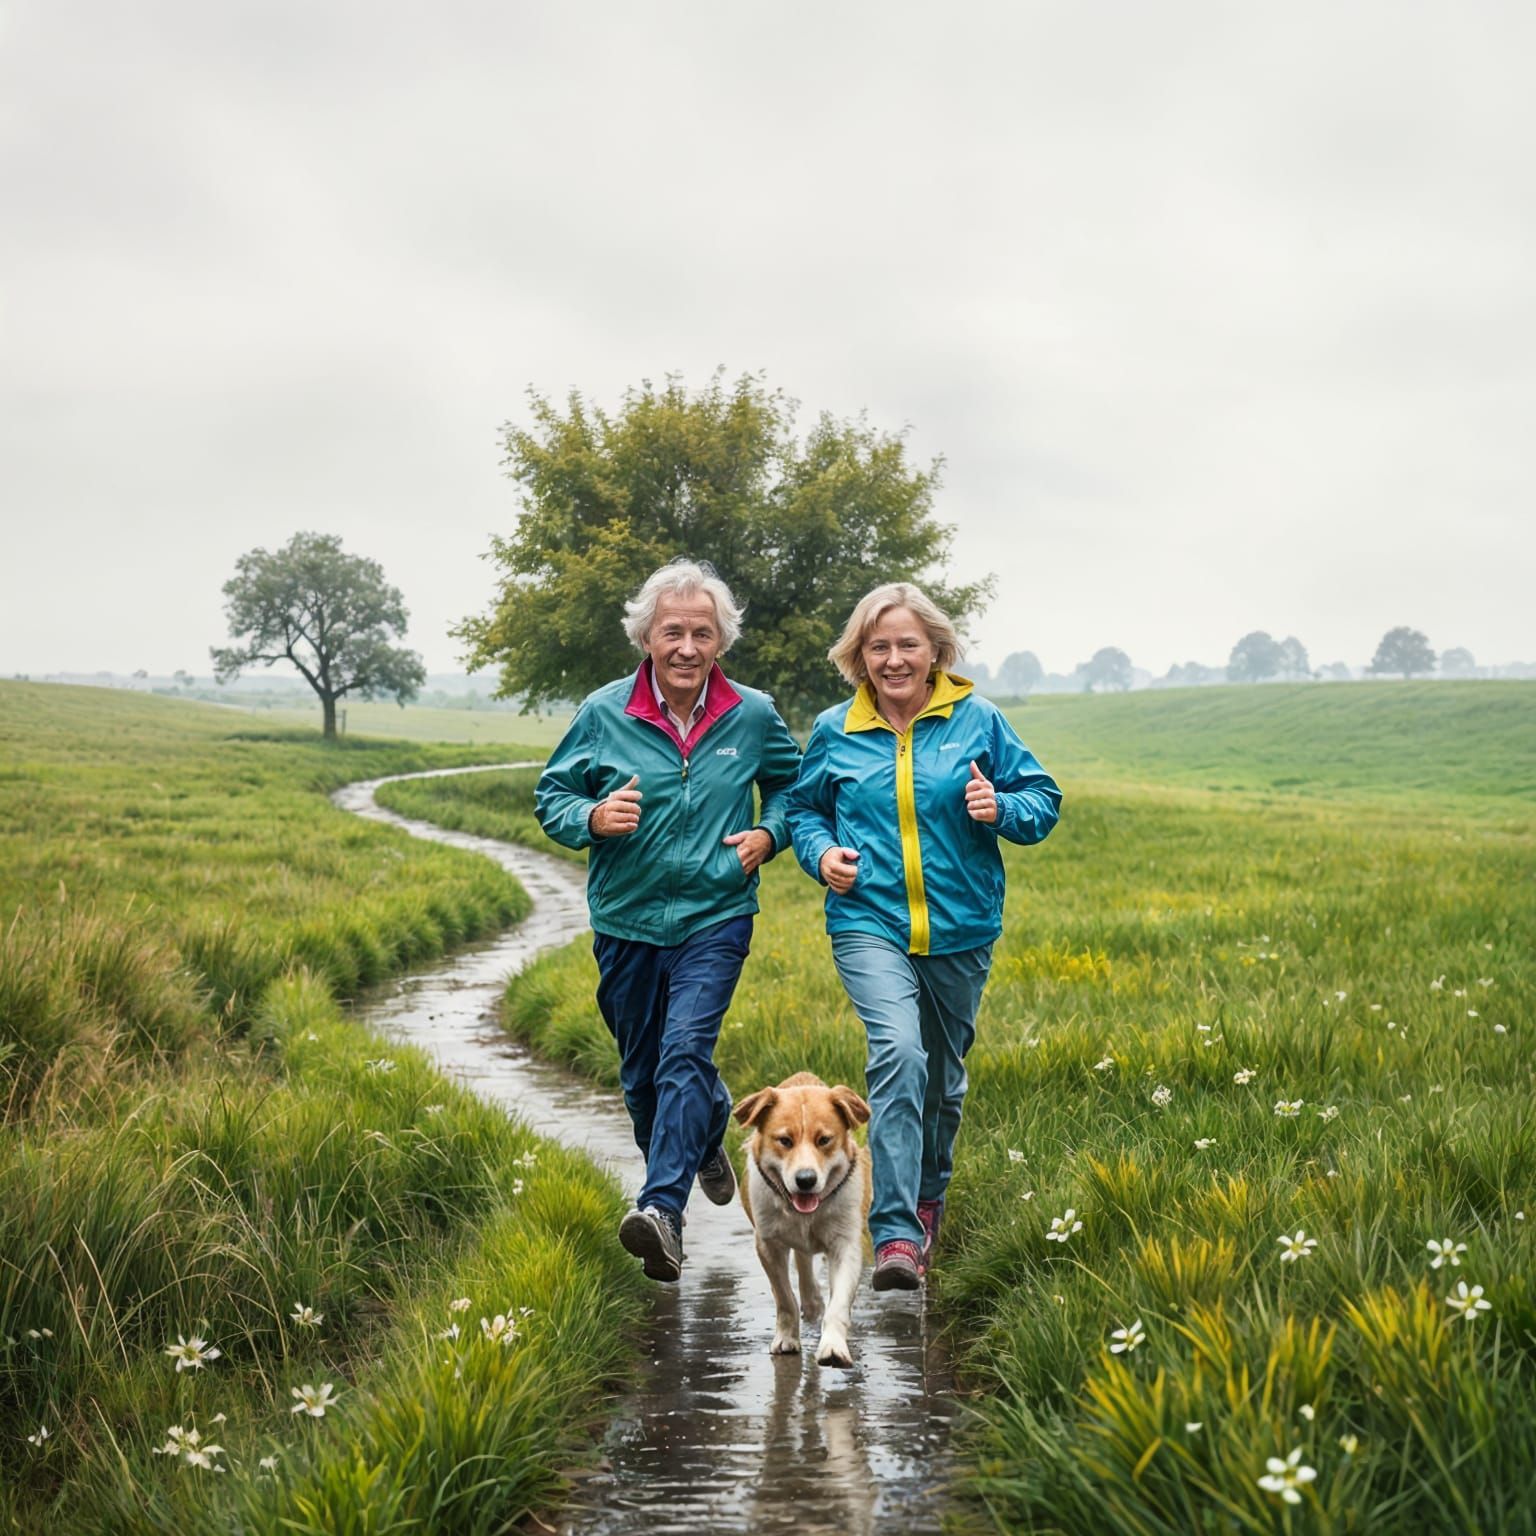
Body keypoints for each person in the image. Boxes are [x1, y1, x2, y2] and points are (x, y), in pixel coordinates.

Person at [785, 582, 1062, 1291]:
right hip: (867, 920)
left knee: (942, 1080)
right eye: (878, 646)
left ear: (935, 650)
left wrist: (999, 805)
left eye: (908, 644)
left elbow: (1043, 803)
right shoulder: (835, 729)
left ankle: (928, 1194)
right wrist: (821, 855)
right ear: (859, 655)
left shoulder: (979, 722)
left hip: (961, 927)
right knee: (900, 1055)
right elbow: (804, 810)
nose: (894, 659)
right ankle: (898, 1234)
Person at [536, 559, 802, 1282]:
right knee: (642, 1075)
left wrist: (769, 835)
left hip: (716, 913)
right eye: (673, 632)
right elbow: (551, 796)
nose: (687, 647)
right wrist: (591, 816)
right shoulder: (603, 712)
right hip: (625, 919)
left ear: (720, 643)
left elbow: (790, 782)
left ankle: (663, 1213)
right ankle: (704, 1129)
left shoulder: (752, 713)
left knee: (684, 1051)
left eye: (702, 633)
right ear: (647, 638)